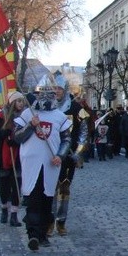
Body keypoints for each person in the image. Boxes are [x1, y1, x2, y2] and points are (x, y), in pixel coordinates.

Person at [14, 82, 72, 251]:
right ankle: (32, 233)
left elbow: (66, 139)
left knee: (47, 198)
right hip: (31, 163)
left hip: (50, 163)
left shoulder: (60, 117)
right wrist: (30, 125)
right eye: (42, 95)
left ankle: (42, 233)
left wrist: (60, 155)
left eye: (50, 94)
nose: (46, 98)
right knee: (33, 198)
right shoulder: (27, 114)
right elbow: (17, 137)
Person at [46, 74, 90, 237]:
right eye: (54, 89)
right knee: (50, 189)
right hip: (50, 155)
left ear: (64, 90)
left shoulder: (76, 109)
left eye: (59, 88)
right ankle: (49, 222)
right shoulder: (47, 107)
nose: (56, 92)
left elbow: (84, 133)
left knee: (64, 190)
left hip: (68, 157)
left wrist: (78, 153)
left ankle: (61, 222)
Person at [0, 91, 28, 227]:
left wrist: (16, 141)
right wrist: (2, 134)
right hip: (3, 156)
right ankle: (4, 209)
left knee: (16, 186)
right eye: (18, 101)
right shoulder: (0, 118)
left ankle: (14, 215)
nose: (20, 104)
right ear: (12, 103)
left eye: (22, 101)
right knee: (4, 187)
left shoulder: (25, 118)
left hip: (19, 156)